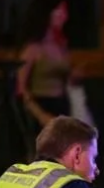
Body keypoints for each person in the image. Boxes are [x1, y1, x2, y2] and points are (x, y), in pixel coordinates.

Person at [16, 0, 78, 135]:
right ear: (47, 13)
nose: (64, 16)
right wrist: (40, 115)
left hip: (62, 106)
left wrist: (73, 77)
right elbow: (21, 88)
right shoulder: (33, 48)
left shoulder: (61, 46)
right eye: (60, 11)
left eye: (65, 11)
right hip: (41, 107)